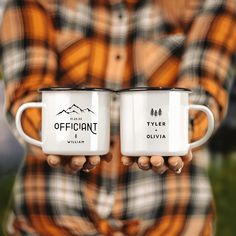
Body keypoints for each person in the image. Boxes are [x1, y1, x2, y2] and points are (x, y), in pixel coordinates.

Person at [0, 0, 236, 235]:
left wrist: (179, 134)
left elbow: (204, 89)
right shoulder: (33, 3)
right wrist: (53, 137)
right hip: (48, 216)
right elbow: (26, 92)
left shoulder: (211, 4)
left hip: (175, 218)